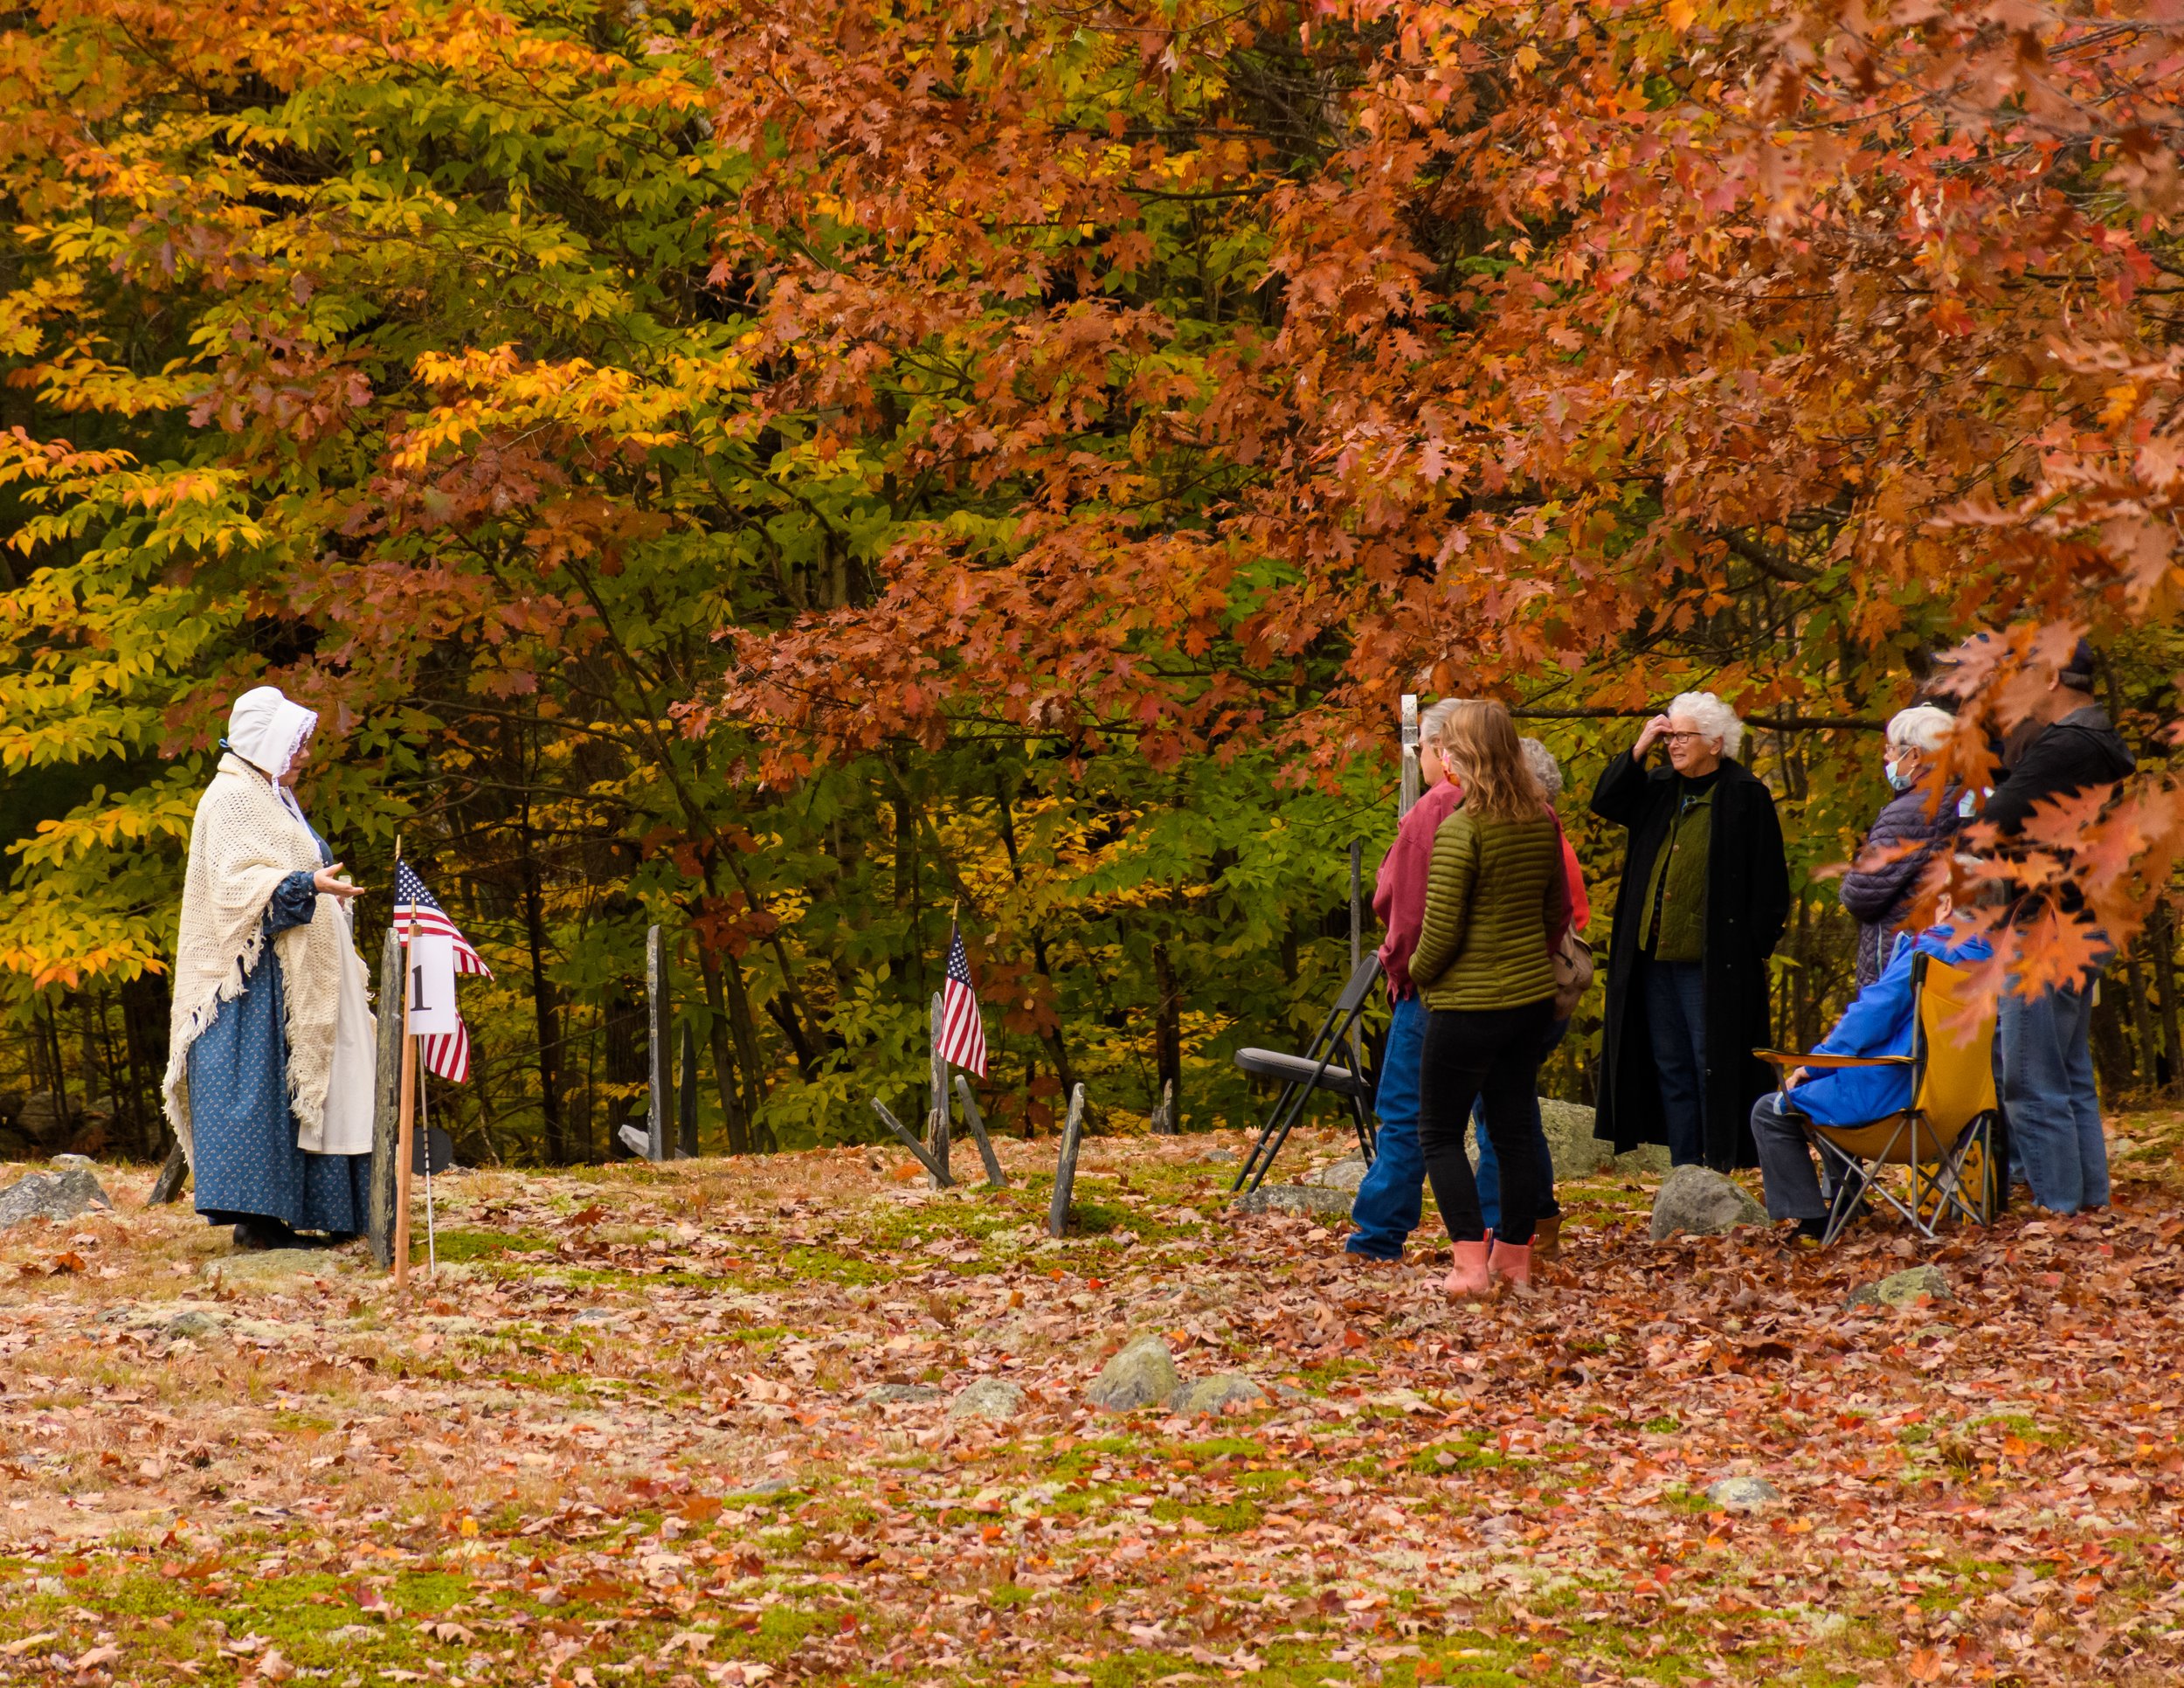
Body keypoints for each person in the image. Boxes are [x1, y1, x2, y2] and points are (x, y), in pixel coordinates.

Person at [163, 687, 378, 1249]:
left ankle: (336, 1210)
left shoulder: (270, 796)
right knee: (261, 1094)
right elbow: (235, 887)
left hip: (299, 967)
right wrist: (307, 883)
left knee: (331, 1082)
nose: (304, 756)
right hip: (254, 977)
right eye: (296, 745)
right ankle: (259, 1224)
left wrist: (316, 885)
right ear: (267, 743)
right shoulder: (230, 798)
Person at [1591, 692, 1790, 1169]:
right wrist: (1639, 747)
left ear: (1716, 743)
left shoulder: (1744, 794)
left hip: (1713, 964)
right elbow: (1607, 800)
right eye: (1669, 735)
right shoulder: (1658, 786)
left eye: (1683, 736)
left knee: (1713, 1065)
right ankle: (1685, 1168)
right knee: (1671, 1066)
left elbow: (1770, 885)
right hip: (1652, 958)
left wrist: (1749, 952)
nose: (1673, 744)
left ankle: (1718, 1166)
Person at [1410, 700, 1570, 1293]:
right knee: (1513, 1130)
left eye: (1448, 745)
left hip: (1467, 1008)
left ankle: (1468, 1267)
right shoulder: (1540, 821)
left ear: (1467, 755)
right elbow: (1555, 913)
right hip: (1528, 1001)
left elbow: (1440, 933)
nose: (1442, 755)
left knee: (1439, 1132)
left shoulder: (1462, 829)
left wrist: (1420, 974)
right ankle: (1514, 1259)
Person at [1983, 640, 2134, 1215]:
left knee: (2030, 1079)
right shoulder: (2092, 742)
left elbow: (1996, 818)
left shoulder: (2069, 743)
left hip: (2048, 926)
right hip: (2081, 919)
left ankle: (2059, 1212)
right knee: (2068, 1076)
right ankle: (2086, 1207)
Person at [1750, 913, 1992, 1238]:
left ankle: (1815, 1222)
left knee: (1771, 1110)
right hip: (1964, 1113)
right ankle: (1848, 1204)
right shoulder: (1999, 957)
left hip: (1902, 1106)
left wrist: (1814, 1064)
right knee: (1833, 1088)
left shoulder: (1931, 950)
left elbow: (1870, 1018)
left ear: (1949, 900)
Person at [1345, 699, 1467, 1262]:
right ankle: (1498, 1235)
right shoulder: (1523, 806)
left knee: (1404, 1117)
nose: (1418, 758)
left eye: (1421, 749)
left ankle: (1377, 1237)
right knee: (1496, 1124)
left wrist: (1402, 972)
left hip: (1431, 990)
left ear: (1442, 750)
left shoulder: (1435, 809)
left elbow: (1403, 911)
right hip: (1504, 993)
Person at [1468, 737, 1590, 1258]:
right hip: (1536, 991)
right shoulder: (1544, 834)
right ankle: (1539, 1217)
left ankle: (1499, 1229)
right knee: (1510, 1111)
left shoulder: (1538, 838)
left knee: (1500, 1114)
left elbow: (1559, 922)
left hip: (1523, 991)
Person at [1839, 704, 1965, 988]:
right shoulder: (1969, 800)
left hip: (1903, 965)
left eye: (1892, 749)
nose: (1886, 756)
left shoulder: (1908, 812)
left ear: (1915, 755)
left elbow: (1860, 894)